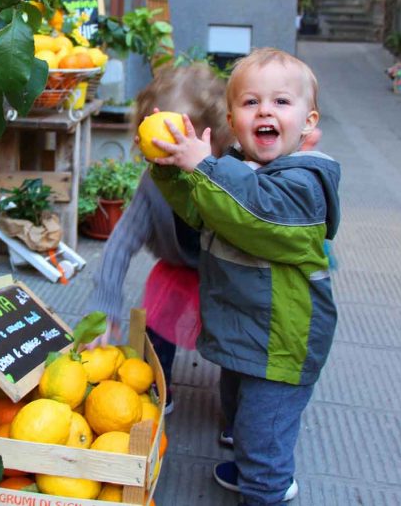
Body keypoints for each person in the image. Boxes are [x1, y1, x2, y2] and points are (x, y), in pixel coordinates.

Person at [146, 48, 341, 505]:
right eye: (251, 102)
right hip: (249, 331)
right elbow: (201, 210)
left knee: (263, 422)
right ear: (233, 121)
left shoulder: (304, 184)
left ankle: (267, 486)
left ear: (308, 123)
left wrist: (207, 167)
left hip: (283, 341)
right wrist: (171, 169)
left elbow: (253, 213)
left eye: (281, 102)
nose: (265, 110)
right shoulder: (236, 172)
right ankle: (254, 461)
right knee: (238, 408)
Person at [86, 63, 231, 411]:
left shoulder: (229, 173)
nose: (170, 156)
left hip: (227, 271)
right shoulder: (154, 184)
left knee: (235, 340)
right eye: (161, 146)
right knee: (159, 322)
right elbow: (121, 243)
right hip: (179, 266)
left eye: (181, 143)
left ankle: (237, 407)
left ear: (212, 136)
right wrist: (104, 308)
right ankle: (157, 381)